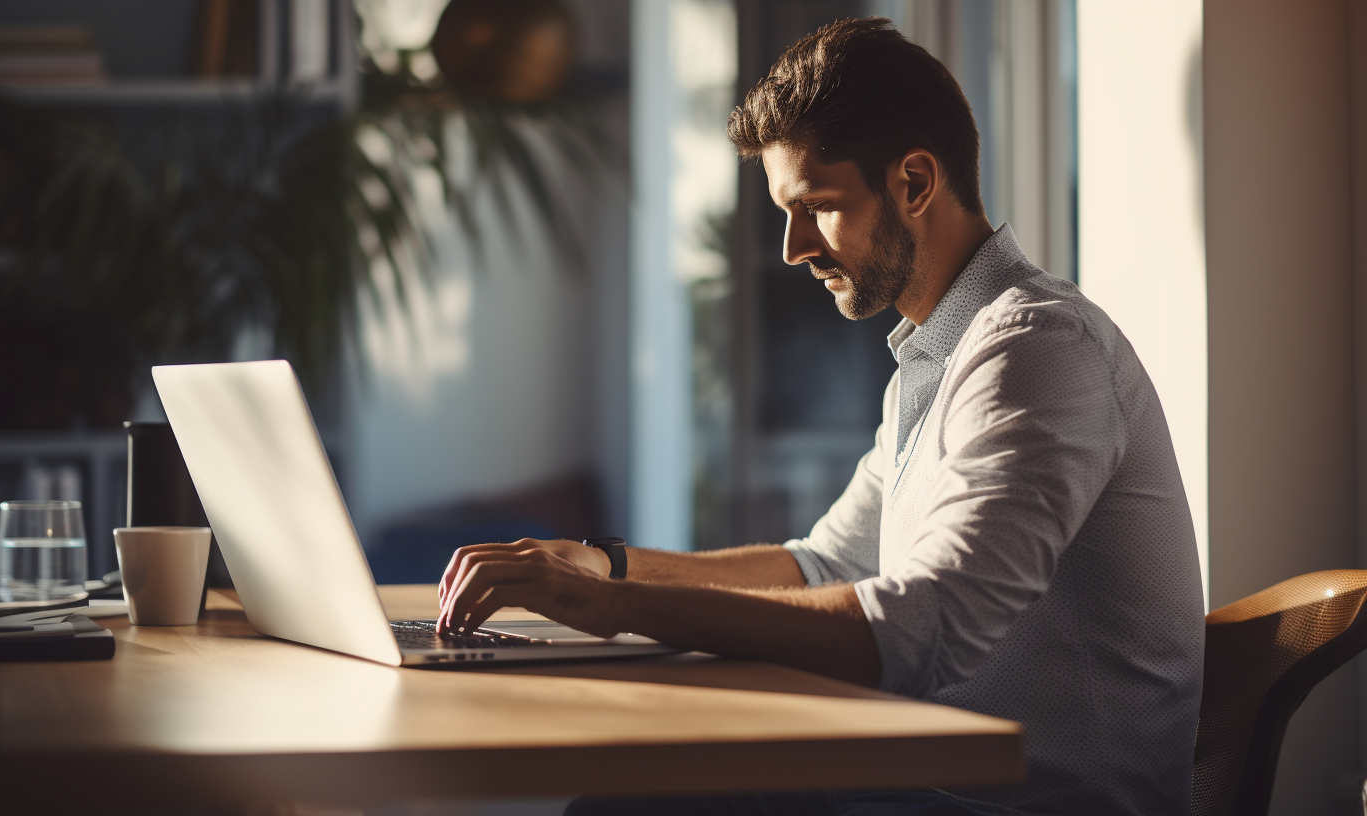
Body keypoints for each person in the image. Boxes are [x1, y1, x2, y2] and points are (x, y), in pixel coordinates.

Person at [437, 16, 1203, 816]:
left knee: (633, 809)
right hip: (933, 785)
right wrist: (608, 567)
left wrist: (617, 608)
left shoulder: (1037, 349)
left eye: (818, 206)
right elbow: (827, 565)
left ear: (913, 182)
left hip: (1023, 806)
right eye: (785, 212)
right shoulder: (936, 357)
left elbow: (924, 629)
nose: (792, 247)